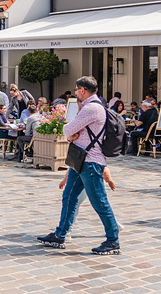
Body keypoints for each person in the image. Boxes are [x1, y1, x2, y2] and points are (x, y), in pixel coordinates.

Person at [37, 76, 119, 255]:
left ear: (83, 90)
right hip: (80, 160)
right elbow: (71, 131)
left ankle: (113, 240)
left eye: (76, 90)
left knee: (99, 201)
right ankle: (60, 235)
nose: (74, 93)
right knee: (69, 197)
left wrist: (70, 134)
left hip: (90, 161)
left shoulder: (91, 108)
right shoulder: (93, 107)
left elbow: (68, 128)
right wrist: (71, 134)